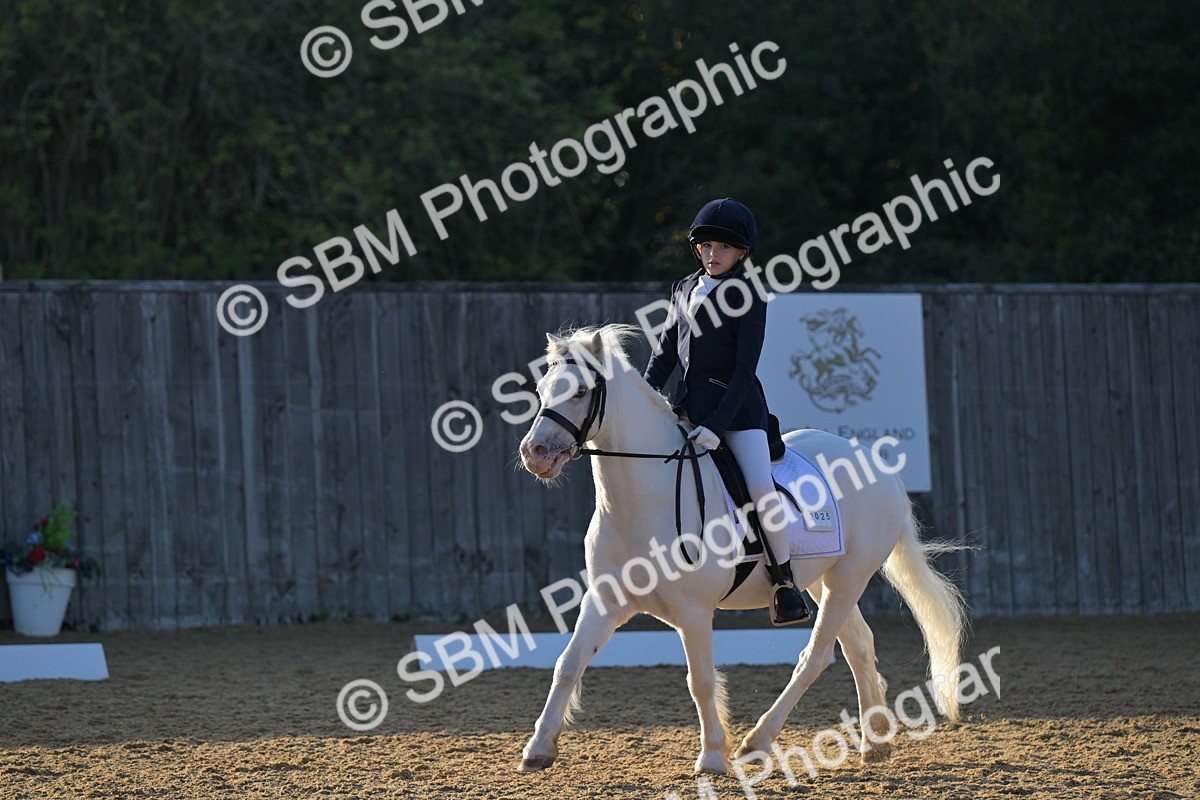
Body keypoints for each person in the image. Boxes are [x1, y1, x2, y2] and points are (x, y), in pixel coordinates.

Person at [643, 198, 812, 626]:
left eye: (722, 247)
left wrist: (717, 426)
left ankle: (785, 581)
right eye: (706, 246)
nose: (712, 254)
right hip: (687, 407)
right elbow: (664, 355)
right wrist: (644, 399)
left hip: (737, 413)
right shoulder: (682, 288)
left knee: (759, 488)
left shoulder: (749, 294)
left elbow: (743, 369)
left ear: (741, 253)